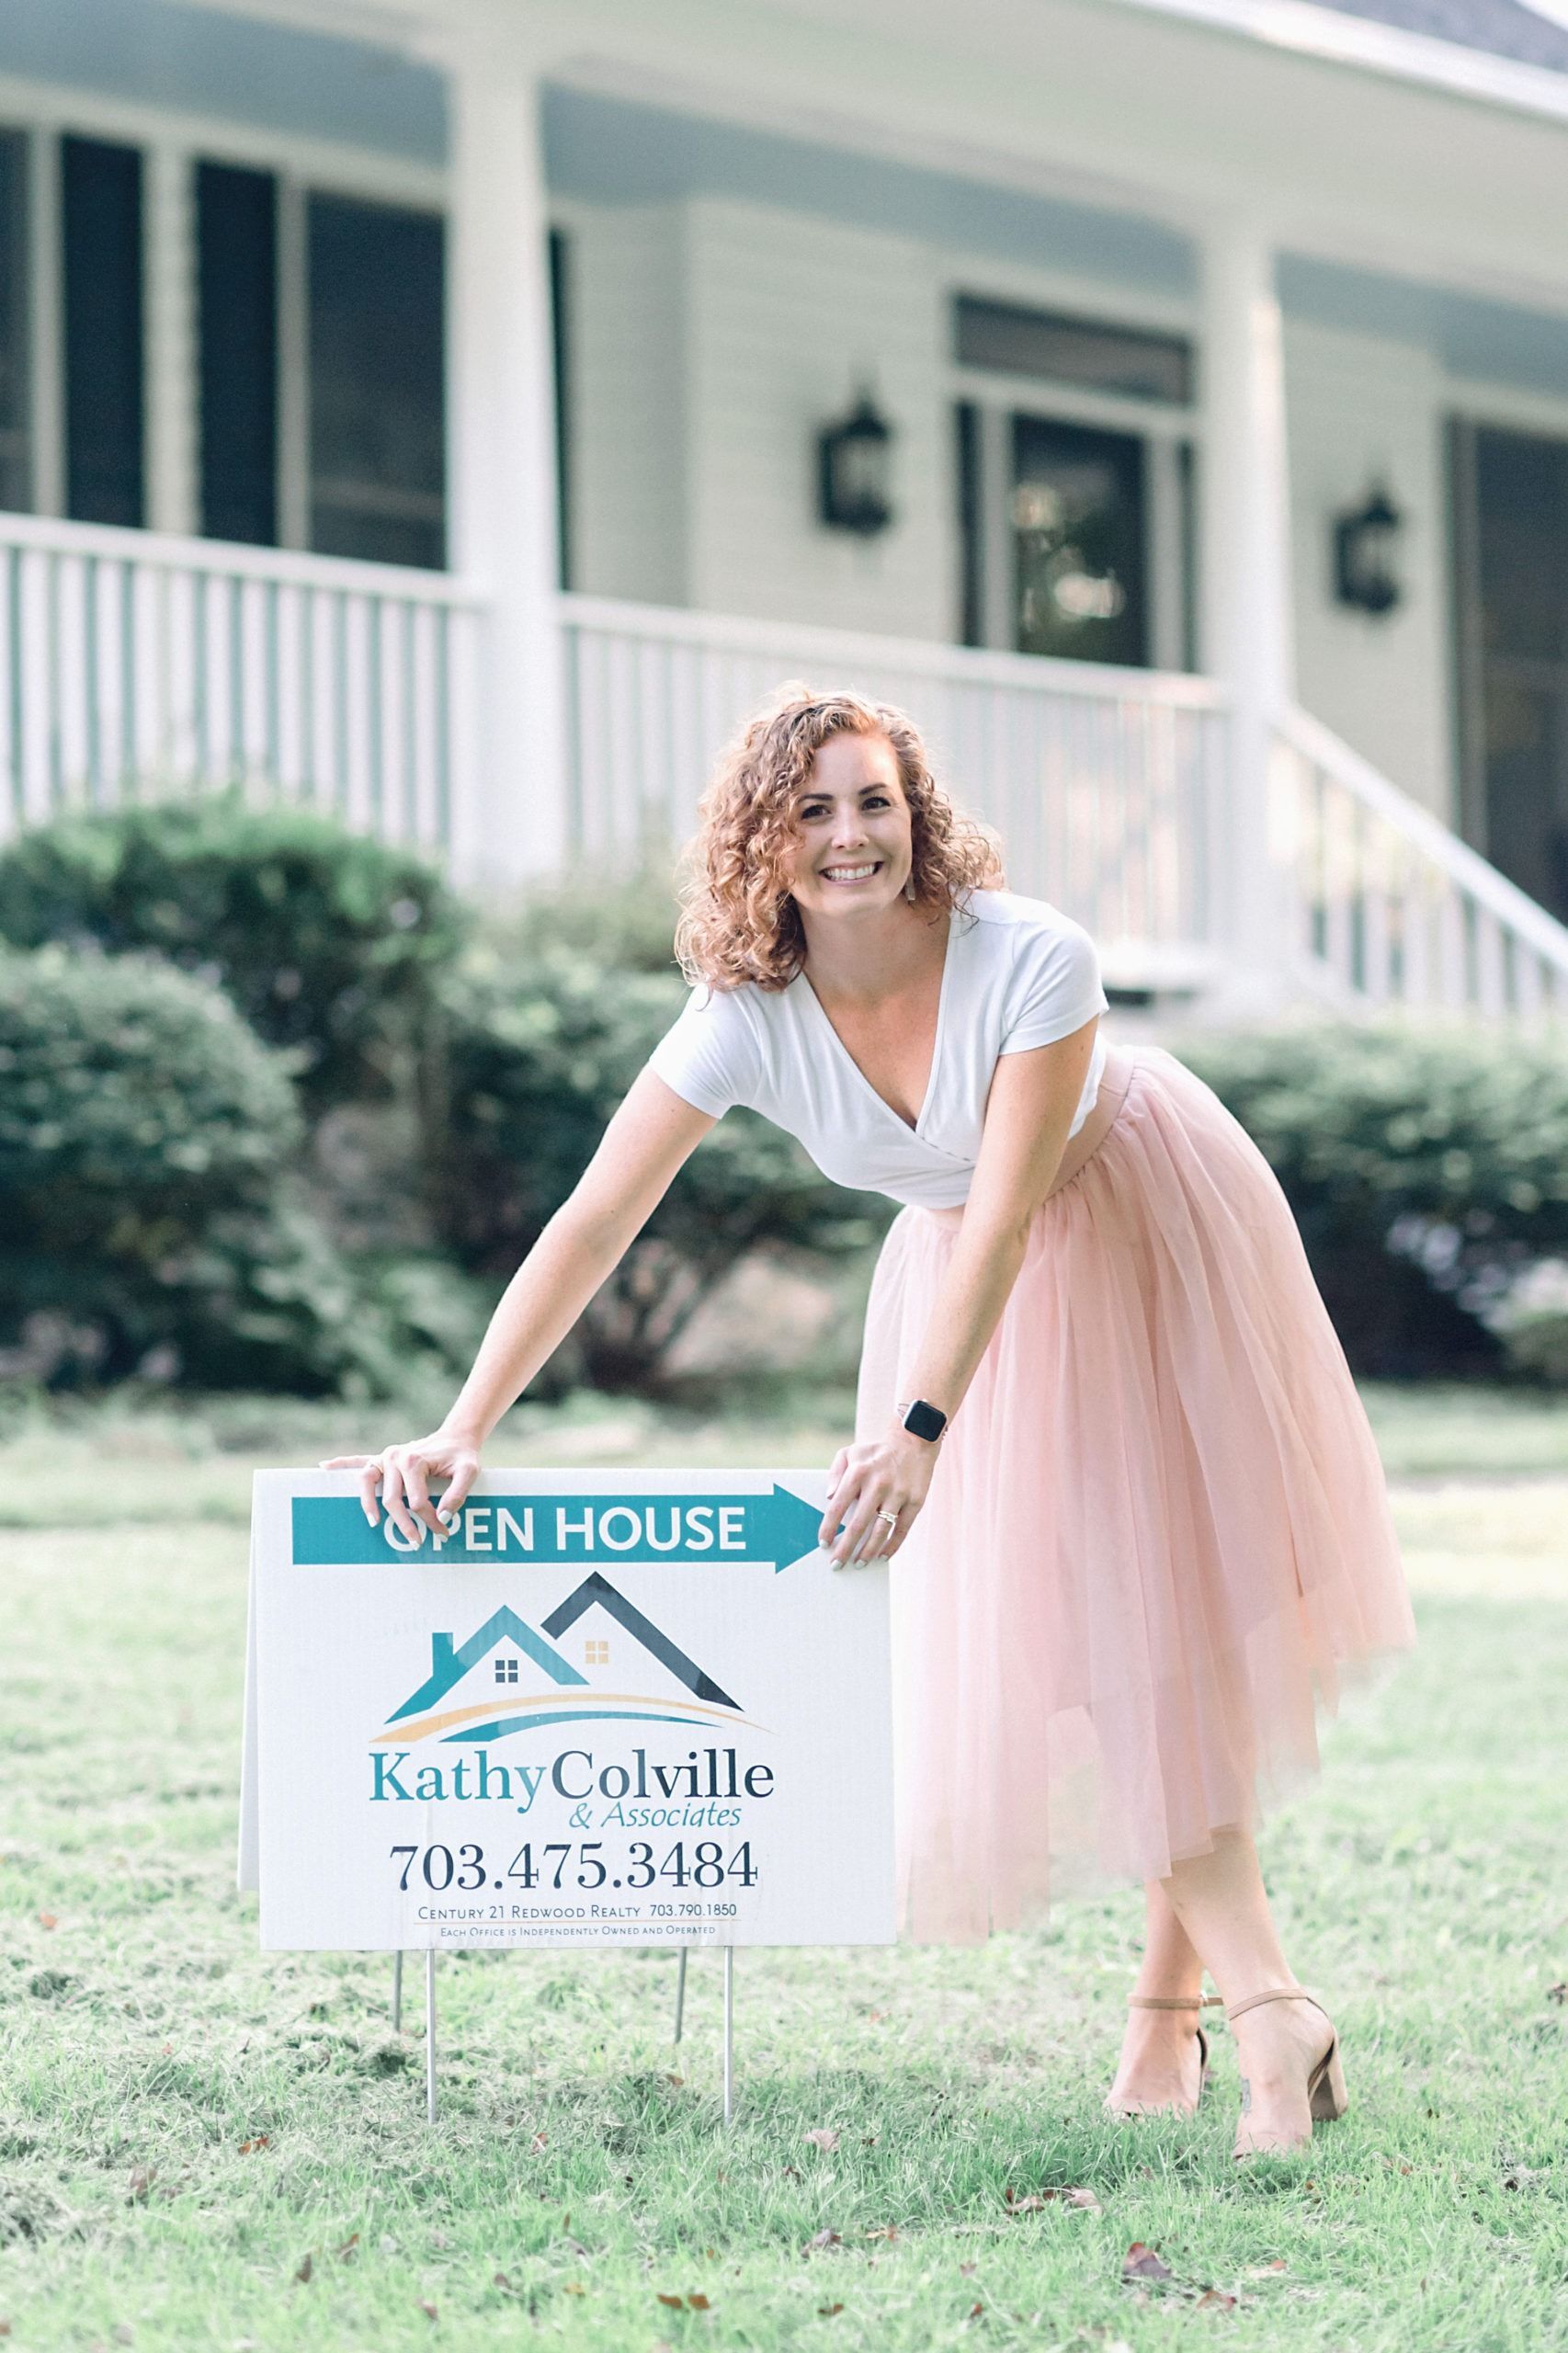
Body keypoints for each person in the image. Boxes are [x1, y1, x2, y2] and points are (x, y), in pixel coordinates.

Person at [327, 684, 1415, 2160]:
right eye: (812, 810)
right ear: (761, 842)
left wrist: (917, 1427)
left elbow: (1009, 1212)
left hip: (1140, 1220)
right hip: (962, 1280)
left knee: (1153, 1628)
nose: (850, 836)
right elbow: (594, 1221)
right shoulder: (743, 1018)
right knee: (1112, 1632)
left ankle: (1233, 2011)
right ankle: (1225, 2010)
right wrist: (464, 1422)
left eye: (875, 803)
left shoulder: (1030, 956)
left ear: (918, 816)